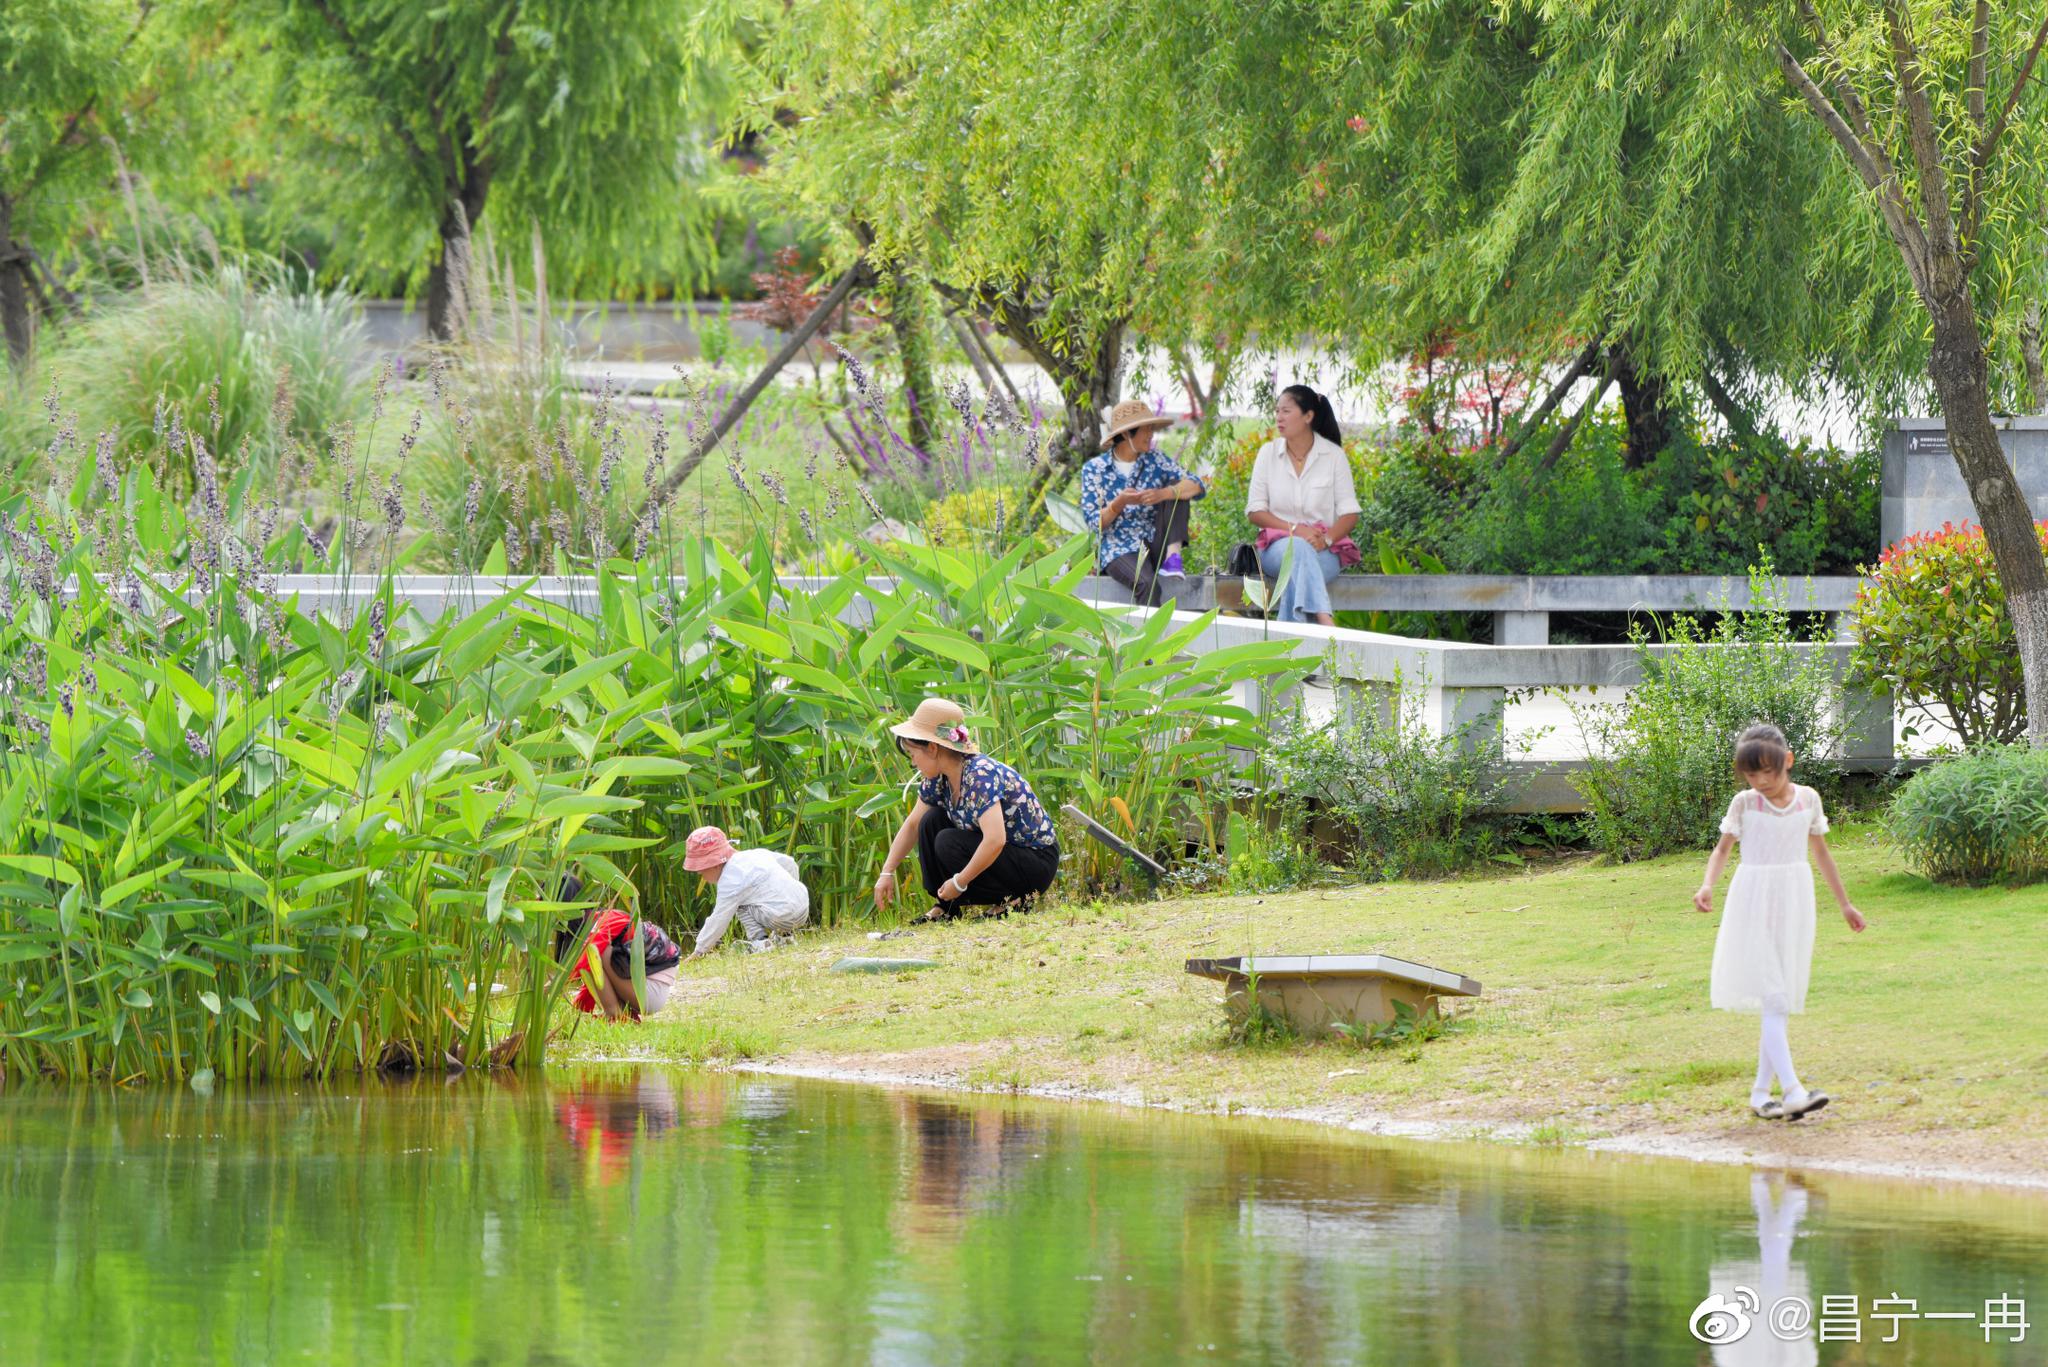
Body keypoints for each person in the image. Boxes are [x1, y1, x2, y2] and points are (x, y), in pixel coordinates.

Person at [1694, 724, 1867, 1121]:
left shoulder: (1808, 799)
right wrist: (1707, 885)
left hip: (1794, 900)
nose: (1761, 781)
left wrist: (1845, 905)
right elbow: (1723, 850)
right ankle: (1792, 1091)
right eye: (1752, 775)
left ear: (1787, 762)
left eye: (1768, 772)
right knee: (1773, 996)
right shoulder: (1745, 803)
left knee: (1780, 1002)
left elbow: (1822, 854)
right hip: (1752, 901)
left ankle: (1760, 1095)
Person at [873, 698, 1060, 921]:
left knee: (947, 841)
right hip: (1005, 857)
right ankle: (946, 908)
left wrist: (959, 882)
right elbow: (913, 825)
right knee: (930, 821)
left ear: (932, 748)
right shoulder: (938, 779)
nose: (913, 764)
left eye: (913, 755)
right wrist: (887, 871)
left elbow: (995, 840)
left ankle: (1014, 899)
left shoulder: (979, 776)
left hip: (1034, 862)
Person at [1244, 384, 1362, 625]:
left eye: (1286, 411)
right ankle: (1326, 622)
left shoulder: (1333, 456)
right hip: (1277, 548)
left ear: (1308, 416)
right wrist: (1296, 530)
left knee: (1298, 573)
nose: (1278, 417)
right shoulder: (1267, 454)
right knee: (1297, 549)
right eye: (1277, 411)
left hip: (1324, 551)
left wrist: (1325, 539)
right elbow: (1255, 511)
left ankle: (1290, 648)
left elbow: (1350, 514)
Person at [1079, 399, 1207, 606]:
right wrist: (1118, 503)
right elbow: (1095, 523)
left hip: (1156, 543)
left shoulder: (1155, 459)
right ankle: (1148, 638)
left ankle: (1173, 558)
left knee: (1178, 487)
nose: (1151, 435)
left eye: (1152, 429)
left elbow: (1197, 486)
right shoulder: (1095, 469)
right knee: (1147, 583)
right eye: (1146, 430)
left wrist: (1164, 493)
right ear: (1128, 433)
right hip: (1118, 550)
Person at [554, 875, 686, 1020]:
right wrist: (578, 1009)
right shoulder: (598, 922)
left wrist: (550, 987)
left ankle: (615, 1015)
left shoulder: (606, 922)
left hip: (650, 992)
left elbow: (588, 963)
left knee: (594, 953)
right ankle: (626, 1015)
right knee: (593, 954)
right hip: (646, 987)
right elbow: (595, 975)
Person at [683, 825, 810, 957]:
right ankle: (786, 937)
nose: (699, 874)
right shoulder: (755, 854)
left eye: (701, 870)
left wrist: (699, 951)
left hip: (780, 917)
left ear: (713, 864)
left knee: (740, 905)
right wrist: (790, 889)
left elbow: (719, 918)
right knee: (765, 900)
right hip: (803, 907)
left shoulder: (730, 880)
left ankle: (761, 943)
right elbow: (790, 863)